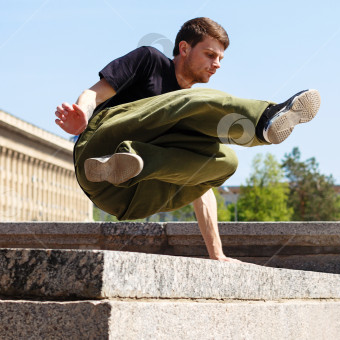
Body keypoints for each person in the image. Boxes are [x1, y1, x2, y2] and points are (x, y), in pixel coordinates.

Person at [55, 17, 320, 263]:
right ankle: (264, 120)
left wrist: (217, 254)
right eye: (210, 54)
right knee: (193, 102)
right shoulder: (150, 61)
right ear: (184, 48)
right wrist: (83, 114)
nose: (217, 64)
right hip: (96, 149)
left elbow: (199, 187)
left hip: (127, 198)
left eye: (220, 58)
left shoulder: (193, 111)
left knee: (225, 160)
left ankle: (136, 163)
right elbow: (93, 93)